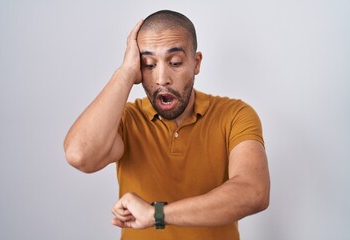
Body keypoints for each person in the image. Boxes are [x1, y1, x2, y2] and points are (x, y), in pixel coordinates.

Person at [64, 10, 270, 240]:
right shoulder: (127, 120)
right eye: (149, 65)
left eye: (175, 62)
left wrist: (157, 214)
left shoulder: (235, 115)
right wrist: (125, 73)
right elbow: (79, 155)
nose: (162, 78)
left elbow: (254, 192)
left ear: (196, 63)